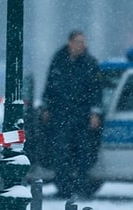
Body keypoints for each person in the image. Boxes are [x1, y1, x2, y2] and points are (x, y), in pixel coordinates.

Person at [31, 30, 103, 198]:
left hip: (81, 117)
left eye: (83, 42)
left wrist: (95, 113)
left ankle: (82, 188)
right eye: (79, 42)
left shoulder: (89, 63)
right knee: (61, 153)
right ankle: (63, 188)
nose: (82, 45)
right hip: (61, 116)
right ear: (70, 43)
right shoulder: (59, 61)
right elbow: (50, 86)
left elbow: (95, 91)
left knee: (83, 154)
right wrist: (46, 107)